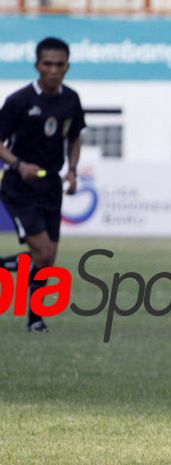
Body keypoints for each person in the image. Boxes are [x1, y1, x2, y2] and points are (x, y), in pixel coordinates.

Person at [0, 37, 85, 333]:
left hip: (51, 184)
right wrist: (18, 164)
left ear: (67, 67)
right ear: (37, 65)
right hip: (19, 185)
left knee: (48, 260)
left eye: (59, 65)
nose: (53, 70)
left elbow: (75, 136)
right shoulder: (19, 101)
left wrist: (72, 170)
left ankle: (35, 320)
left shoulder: (71, 99)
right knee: (43, 253)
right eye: (47, 64)